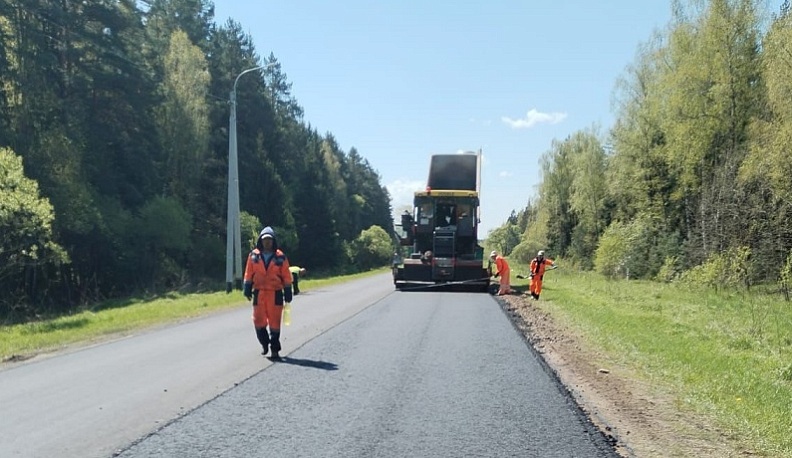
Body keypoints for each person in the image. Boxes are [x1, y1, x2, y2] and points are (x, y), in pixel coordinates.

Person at [243, 226, 293, 360]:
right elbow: (248, 273)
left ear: (273, 241)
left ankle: (275, 350)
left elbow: (286, 276)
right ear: (260, 240)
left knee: (275, 323)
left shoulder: (280, 257)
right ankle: (264, 343)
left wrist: (288, 291)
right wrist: (247, 287)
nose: (267, 242)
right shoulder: (253, 255)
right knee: (258, 321)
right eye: (265, 239)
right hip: (259, 293)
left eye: (269, 240)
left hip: (275, 293)